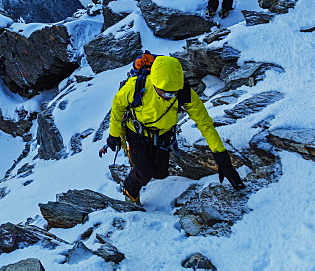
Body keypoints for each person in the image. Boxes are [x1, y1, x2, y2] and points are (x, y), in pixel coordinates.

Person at [99, 54, 243, 205]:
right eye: (165, 92)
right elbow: (117, 109)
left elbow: (205, 124)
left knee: (160, 173)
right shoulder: (136, 86)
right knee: (144, 173)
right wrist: (114, 135)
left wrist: (223, 160)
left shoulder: (184, 92)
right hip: (136, 132)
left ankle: (140, 166)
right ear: (154, 82)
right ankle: (130, 190)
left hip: (163, 134)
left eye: (173, 93)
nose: (170, 96)